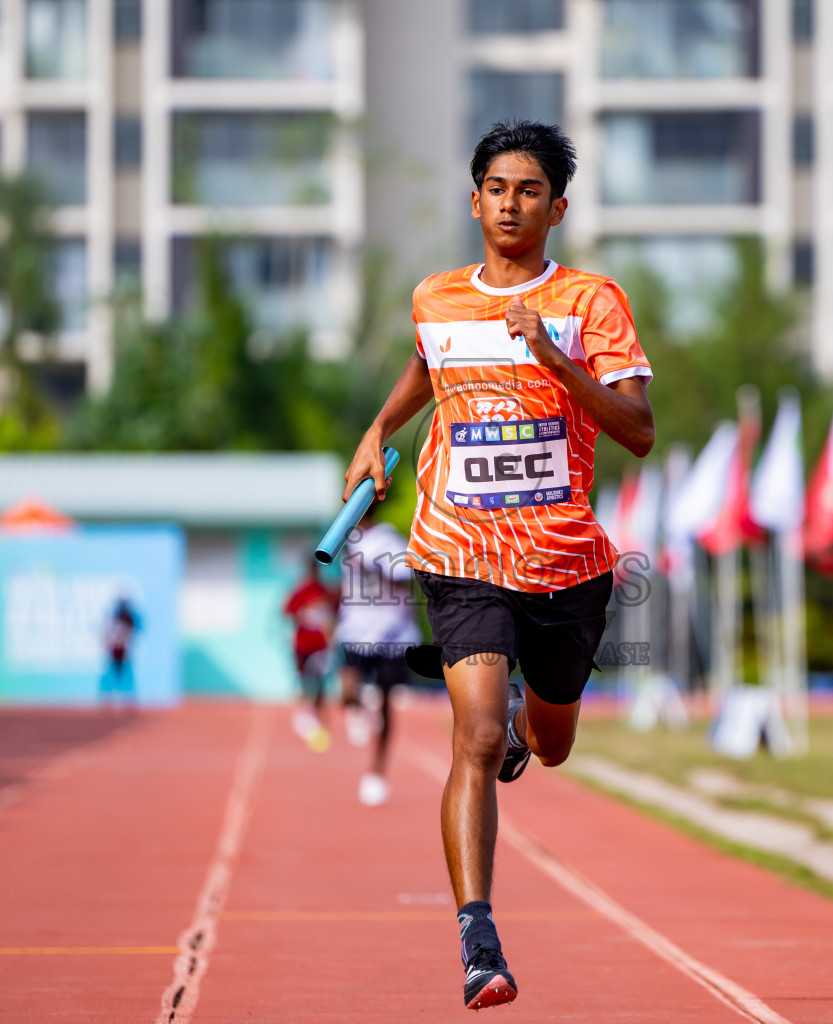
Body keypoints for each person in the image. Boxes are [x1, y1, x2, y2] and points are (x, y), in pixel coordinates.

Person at [341, 120, 653, 1011]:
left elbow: (638, 431)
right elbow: (424, 366)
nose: (509, 204)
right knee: (472, 736)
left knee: (548, 745)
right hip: (460, 554)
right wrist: (376, 431)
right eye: (495, 188)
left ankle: (530, 723)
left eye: (528, 191)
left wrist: (553, 357)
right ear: (474, 197)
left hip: (564, 564)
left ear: (557, 207)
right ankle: (478, 938)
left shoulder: (592, 301)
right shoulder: (437, 297)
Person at [336, 507, 421, 807]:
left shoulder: (387, 539)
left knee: (386, 703)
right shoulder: (346, 540)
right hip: (357, 630)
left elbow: (405, 576)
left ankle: (376, 771)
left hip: (391, 634)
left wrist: (371, 567)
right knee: (346, 693)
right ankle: (359, 704)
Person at [283, 560, 338, 752]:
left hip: (321, 646)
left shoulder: (325, 591)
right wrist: (303, 612)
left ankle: (318, 722)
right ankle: (303, 716)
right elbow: (287, 611)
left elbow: (335, 614)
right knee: (306, 682)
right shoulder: (301, 591)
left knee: (321, 683)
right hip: (303, 645)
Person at [100, 596, 140, 712]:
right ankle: (109, 698)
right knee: (112, 675)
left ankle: (127, 700)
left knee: (125, 675)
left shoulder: (128, 619)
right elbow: (109, 634)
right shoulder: (117, 618)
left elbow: (129, 635)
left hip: (123, 651)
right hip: (115, 651)